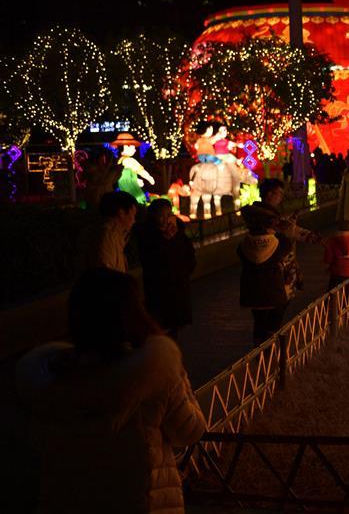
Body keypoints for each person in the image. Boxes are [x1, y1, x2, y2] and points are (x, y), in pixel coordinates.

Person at [15, 268, 206, 513]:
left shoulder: (47, 384)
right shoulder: (151, 375)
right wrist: (175, 368)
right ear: (132, 316)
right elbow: (190, 430)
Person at [136, 199, 197, 339]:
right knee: (161, 325)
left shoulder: (178, 232)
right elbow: (148, 259)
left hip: (178, 284)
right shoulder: (148, 235)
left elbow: (189, 254)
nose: (166, 219)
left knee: (175, 327)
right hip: (158, 286)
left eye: (169, 214)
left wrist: (185, 271)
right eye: (161, 216)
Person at [238, 210, 298, 345]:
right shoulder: (277, 243)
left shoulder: (244, 243)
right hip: (273, 291)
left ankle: (259, 350)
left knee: (259, 322)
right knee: (274, 322)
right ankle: (271, 351)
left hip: (252, 292)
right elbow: (287, 247)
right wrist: (279, 233)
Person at [77, 190, 138, 273]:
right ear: (121, 213)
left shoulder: (115, 235)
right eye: (133, 214)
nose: (134, 221)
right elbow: (105, 275)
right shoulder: (107, 236)